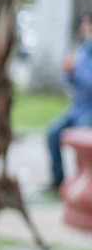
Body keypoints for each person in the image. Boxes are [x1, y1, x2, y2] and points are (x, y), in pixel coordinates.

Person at [48, 12, 92, 193]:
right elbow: (71, 80)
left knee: (82, 138)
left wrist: (76, 73)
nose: (84, 28)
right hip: (76, 110)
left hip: (89, 112)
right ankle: (58, 181)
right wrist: (69, 73)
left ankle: (83, 184)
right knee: (53, 133)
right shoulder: (82, 50)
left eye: (87, 25)